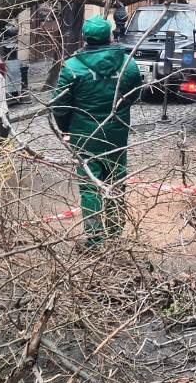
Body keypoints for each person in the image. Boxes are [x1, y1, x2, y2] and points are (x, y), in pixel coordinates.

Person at [51, 16, 143, 246]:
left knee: (90, 186)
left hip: (84, 137)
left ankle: (95, 238)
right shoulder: (127, 63)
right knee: (115, 182)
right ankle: (114, 232)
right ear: (110, 37)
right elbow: (136, 94)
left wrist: (66, 129)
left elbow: (60, 106)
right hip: (116, 134)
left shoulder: (72, 67)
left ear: (84, 38)